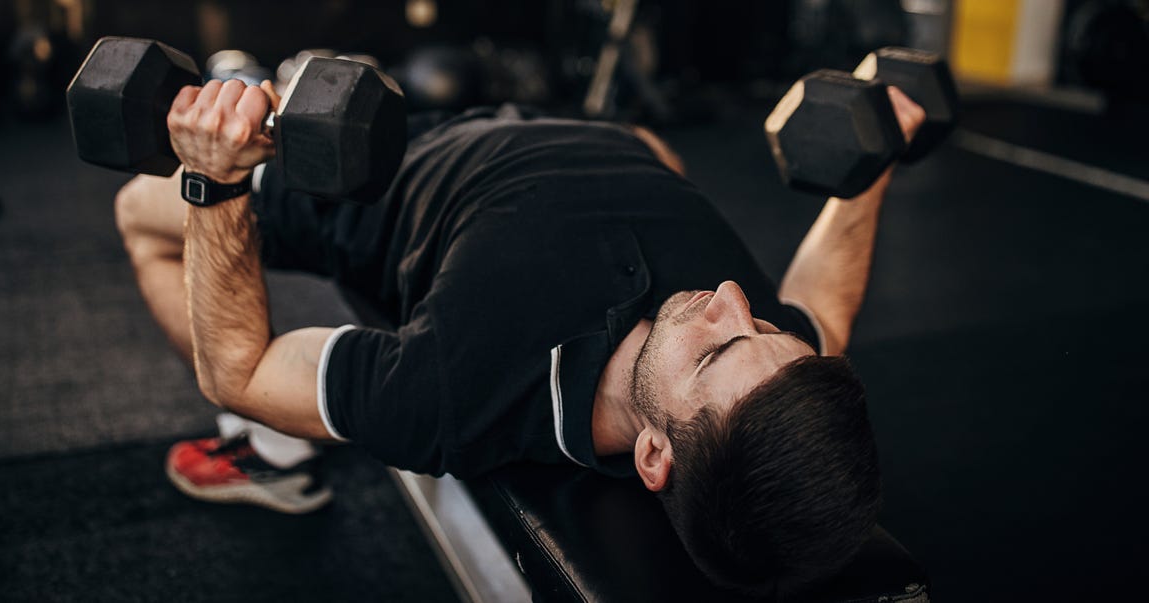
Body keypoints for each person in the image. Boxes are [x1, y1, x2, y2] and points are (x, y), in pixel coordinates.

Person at [114, 74, 925, 596]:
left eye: (718, 344)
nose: (731, 298)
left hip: (390, 171)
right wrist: (874, 158)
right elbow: (824, 307)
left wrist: (210, 180)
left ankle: (271, 453)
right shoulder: (770, 368)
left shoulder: (456, 392)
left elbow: (239, 371)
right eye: (764, 327)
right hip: (583, 130)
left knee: (139, 215)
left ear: (654, 455)